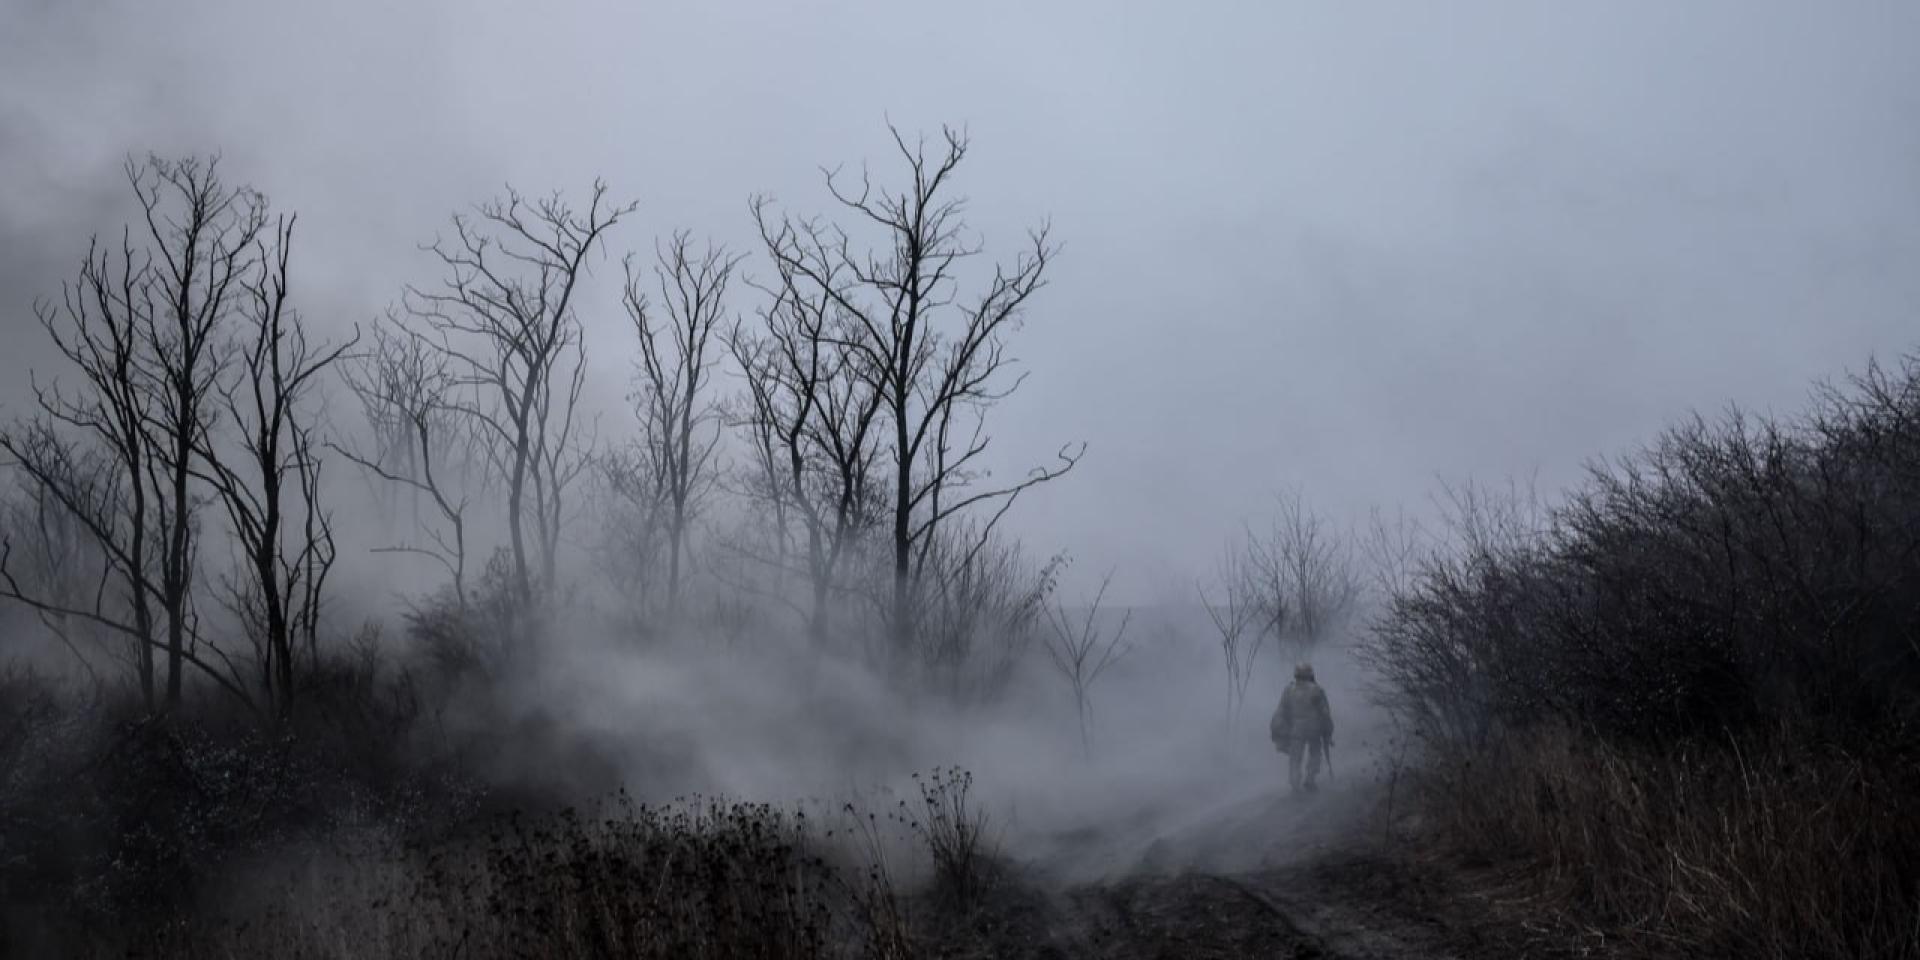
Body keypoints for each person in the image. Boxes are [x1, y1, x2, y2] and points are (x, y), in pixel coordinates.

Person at [1269, 661, 1333, 795]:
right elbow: (1324, 712)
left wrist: (1280, 728)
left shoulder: (1289, 690)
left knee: (1295, 757)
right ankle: (1310, 778)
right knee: (1315, 753)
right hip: (1313, 728)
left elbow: (1282, 710)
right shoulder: (1317, 690)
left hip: (1296, 729)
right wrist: (1328, 730)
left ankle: (1294, 782)